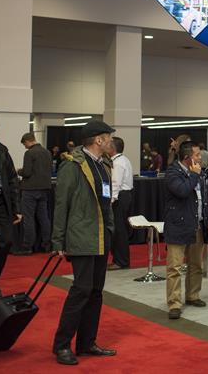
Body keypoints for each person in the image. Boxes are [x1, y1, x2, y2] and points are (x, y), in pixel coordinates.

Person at [51, 120, 117, 365]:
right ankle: (61, 345)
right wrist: (58, 239)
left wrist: (110, 227)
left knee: (96, 292)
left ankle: (86, 343)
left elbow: (106, 200)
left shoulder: (104, 164)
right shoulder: (73, 165)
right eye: (108, 137)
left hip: (101, 235)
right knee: (81, 290)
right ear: (98, 140)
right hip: (81, 235)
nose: (111, 140)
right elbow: (61, 204)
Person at [164, 141, 208, 320]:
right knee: (175, 267)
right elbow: (183, 191)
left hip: (197, 225)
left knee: (196, 265)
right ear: (187, 158)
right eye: (197, 155)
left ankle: (193, 295)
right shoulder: (172, 173)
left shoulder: (199, 173)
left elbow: (205, 198)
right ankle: (174, 304)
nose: (201, 157)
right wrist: (193, 175)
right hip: (178, 226)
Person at [0, 119, 22, 298]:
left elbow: (12, 180)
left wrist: (16, 207)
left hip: (1, 202)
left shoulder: (2, 151)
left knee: (7, 242)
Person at [14, 132, 52, 255]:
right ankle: (46, 245)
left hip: (30, 190)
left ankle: (27, 247)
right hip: (44, 189)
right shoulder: (47, 152)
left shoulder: (29, 153)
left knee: (28, 218)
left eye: (24, 144)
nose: (25, 146)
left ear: (28, 141)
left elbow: (27, 172)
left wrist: (19, 171)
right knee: (44, 218)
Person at [108, 137, 133, 270]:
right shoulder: (123, 159)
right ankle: (120, 259)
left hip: (120, 197)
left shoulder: (117, 163)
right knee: (120, 229)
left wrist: (111, 201)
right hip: (125, 196)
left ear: (113, 148)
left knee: (119, 230)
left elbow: (115, 184)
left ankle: (121, 261)